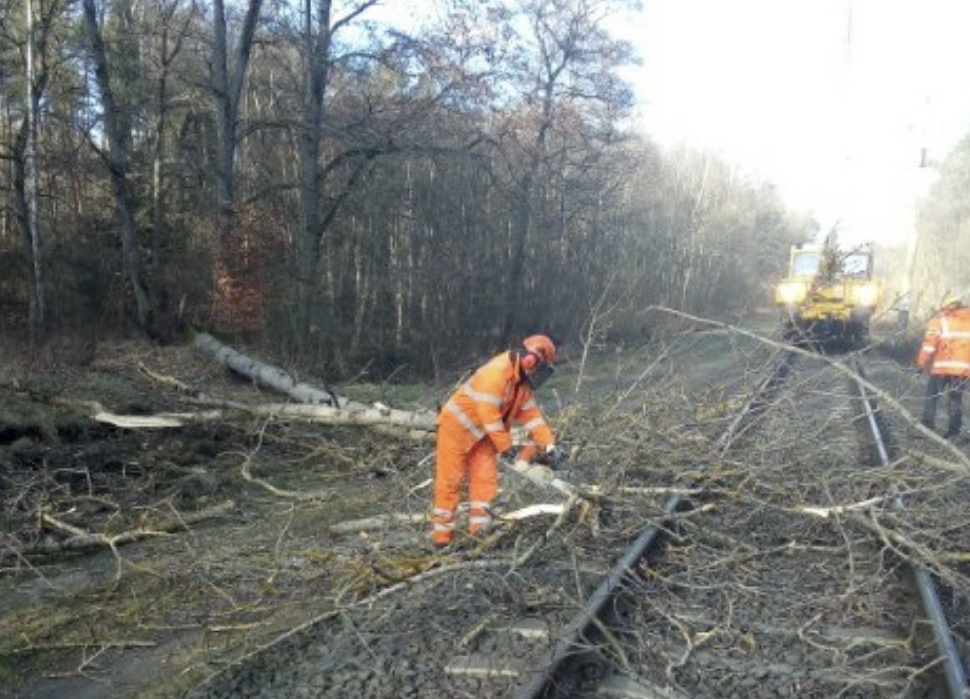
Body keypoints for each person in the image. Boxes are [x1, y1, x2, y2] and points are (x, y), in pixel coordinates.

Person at [431, 334, 566, 548]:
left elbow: (534, 420)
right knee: (450, 483)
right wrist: (507, 448)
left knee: (485, 483)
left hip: (484, 437)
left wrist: (550, 446)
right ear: (531, 359)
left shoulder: (522, 386)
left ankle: (480, 534)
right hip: (456, 429)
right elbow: (489, 415)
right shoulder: (496, 373)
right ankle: (441, 540)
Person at [916, 295, 970, 439]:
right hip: (962, 369)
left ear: (946, 305)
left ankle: (927, 424)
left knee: (931, 394)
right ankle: (953, 432)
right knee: (955, 399)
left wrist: (920, 365)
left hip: (942, 367)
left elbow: (929, 345)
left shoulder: (941, 319)